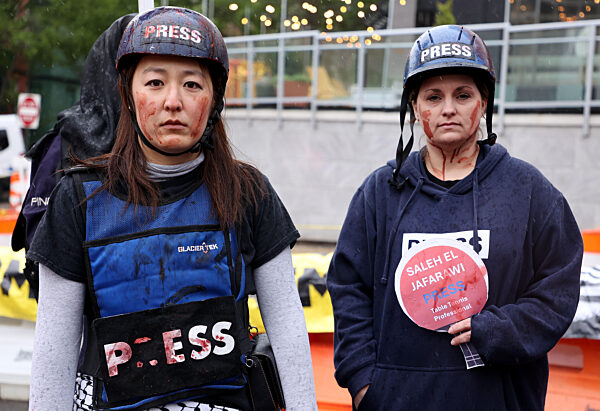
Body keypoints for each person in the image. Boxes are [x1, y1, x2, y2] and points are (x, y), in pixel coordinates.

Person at [27, 7, 317, 411]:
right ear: (128, 93)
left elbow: (287, 328)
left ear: (215, 98)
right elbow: (53, 354)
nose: (173, 101)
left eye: (192, 84)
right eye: (155, 82)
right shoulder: (77, 198)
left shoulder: (250, 192)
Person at [327, 25, 583, 411]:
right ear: (415, 107)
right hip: (395, 399)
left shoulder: (529, 191)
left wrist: (496, 331)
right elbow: (349, 290)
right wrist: (363, 382)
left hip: (499, 397)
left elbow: (558, 291)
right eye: (434, 96)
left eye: (463, 95)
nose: (448, 108)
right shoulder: (379, 193)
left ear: (483, 104)